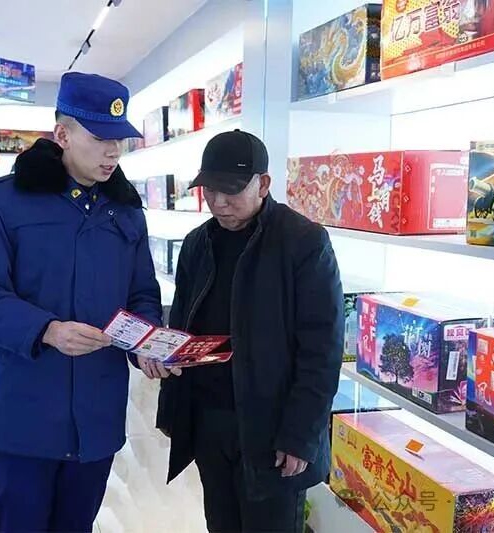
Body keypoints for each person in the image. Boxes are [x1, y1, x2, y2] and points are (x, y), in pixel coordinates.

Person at [0, 72, 165, 533]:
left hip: (97, 410)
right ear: (62, 135)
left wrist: (146, 342)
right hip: (24, 409)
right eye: (100, 138)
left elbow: (142, 293)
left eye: (119, 140)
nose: (113, 151)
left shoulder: (126, 211)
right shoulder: (4, 202)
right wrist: (45, 330)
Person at [156, 130, 344, 533]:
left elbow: (322, 350)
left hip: (271, 429)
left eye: (231, 190)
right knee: (220, 524)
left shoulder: (304, 243)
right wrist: (164, 360)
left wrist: (300, 434)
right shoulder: (197, 244)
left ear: (263, 183)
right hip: (209, 421)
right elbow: (184, 324)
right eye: (210, 190)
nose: (219, 202)